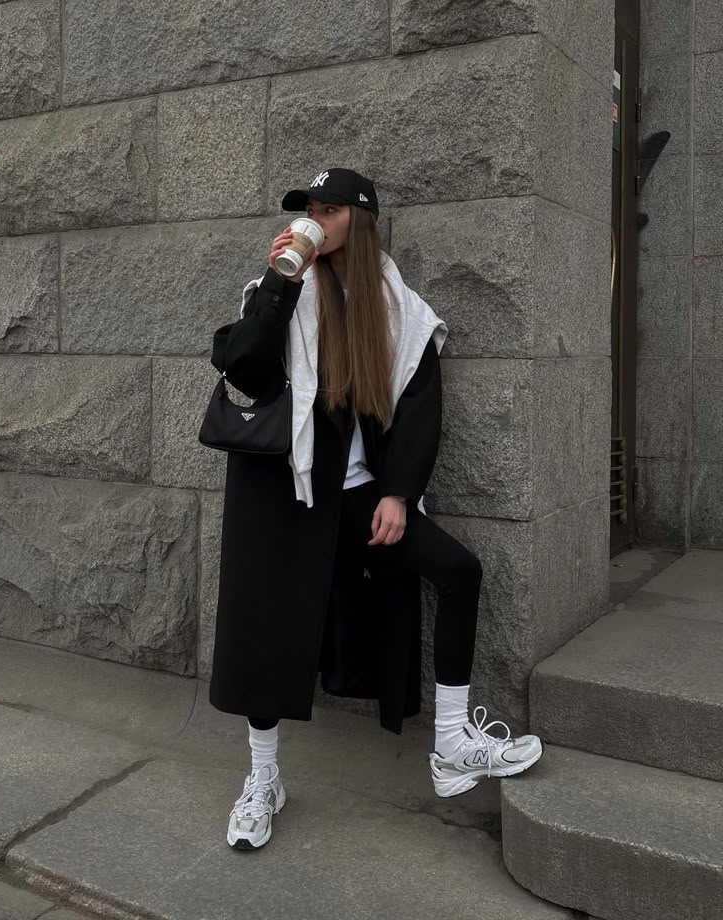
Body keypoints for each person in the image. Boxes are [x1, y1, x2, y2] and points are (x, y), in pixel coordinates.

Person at [208, 168, 543, 850]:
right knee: (264, 631)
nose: (314, 221)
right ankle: (262, 781)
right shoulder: (280, 291)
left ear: (358, 220)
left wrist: (396, 490)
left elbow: (420, 401)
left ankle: (452, 742)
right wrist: (280, 278)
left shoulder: (392, 303)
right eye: (308, 210)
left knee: (459, 571)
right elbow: (243, 367)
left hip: (356, 490)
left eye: (327, 212)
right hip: (279, 486)